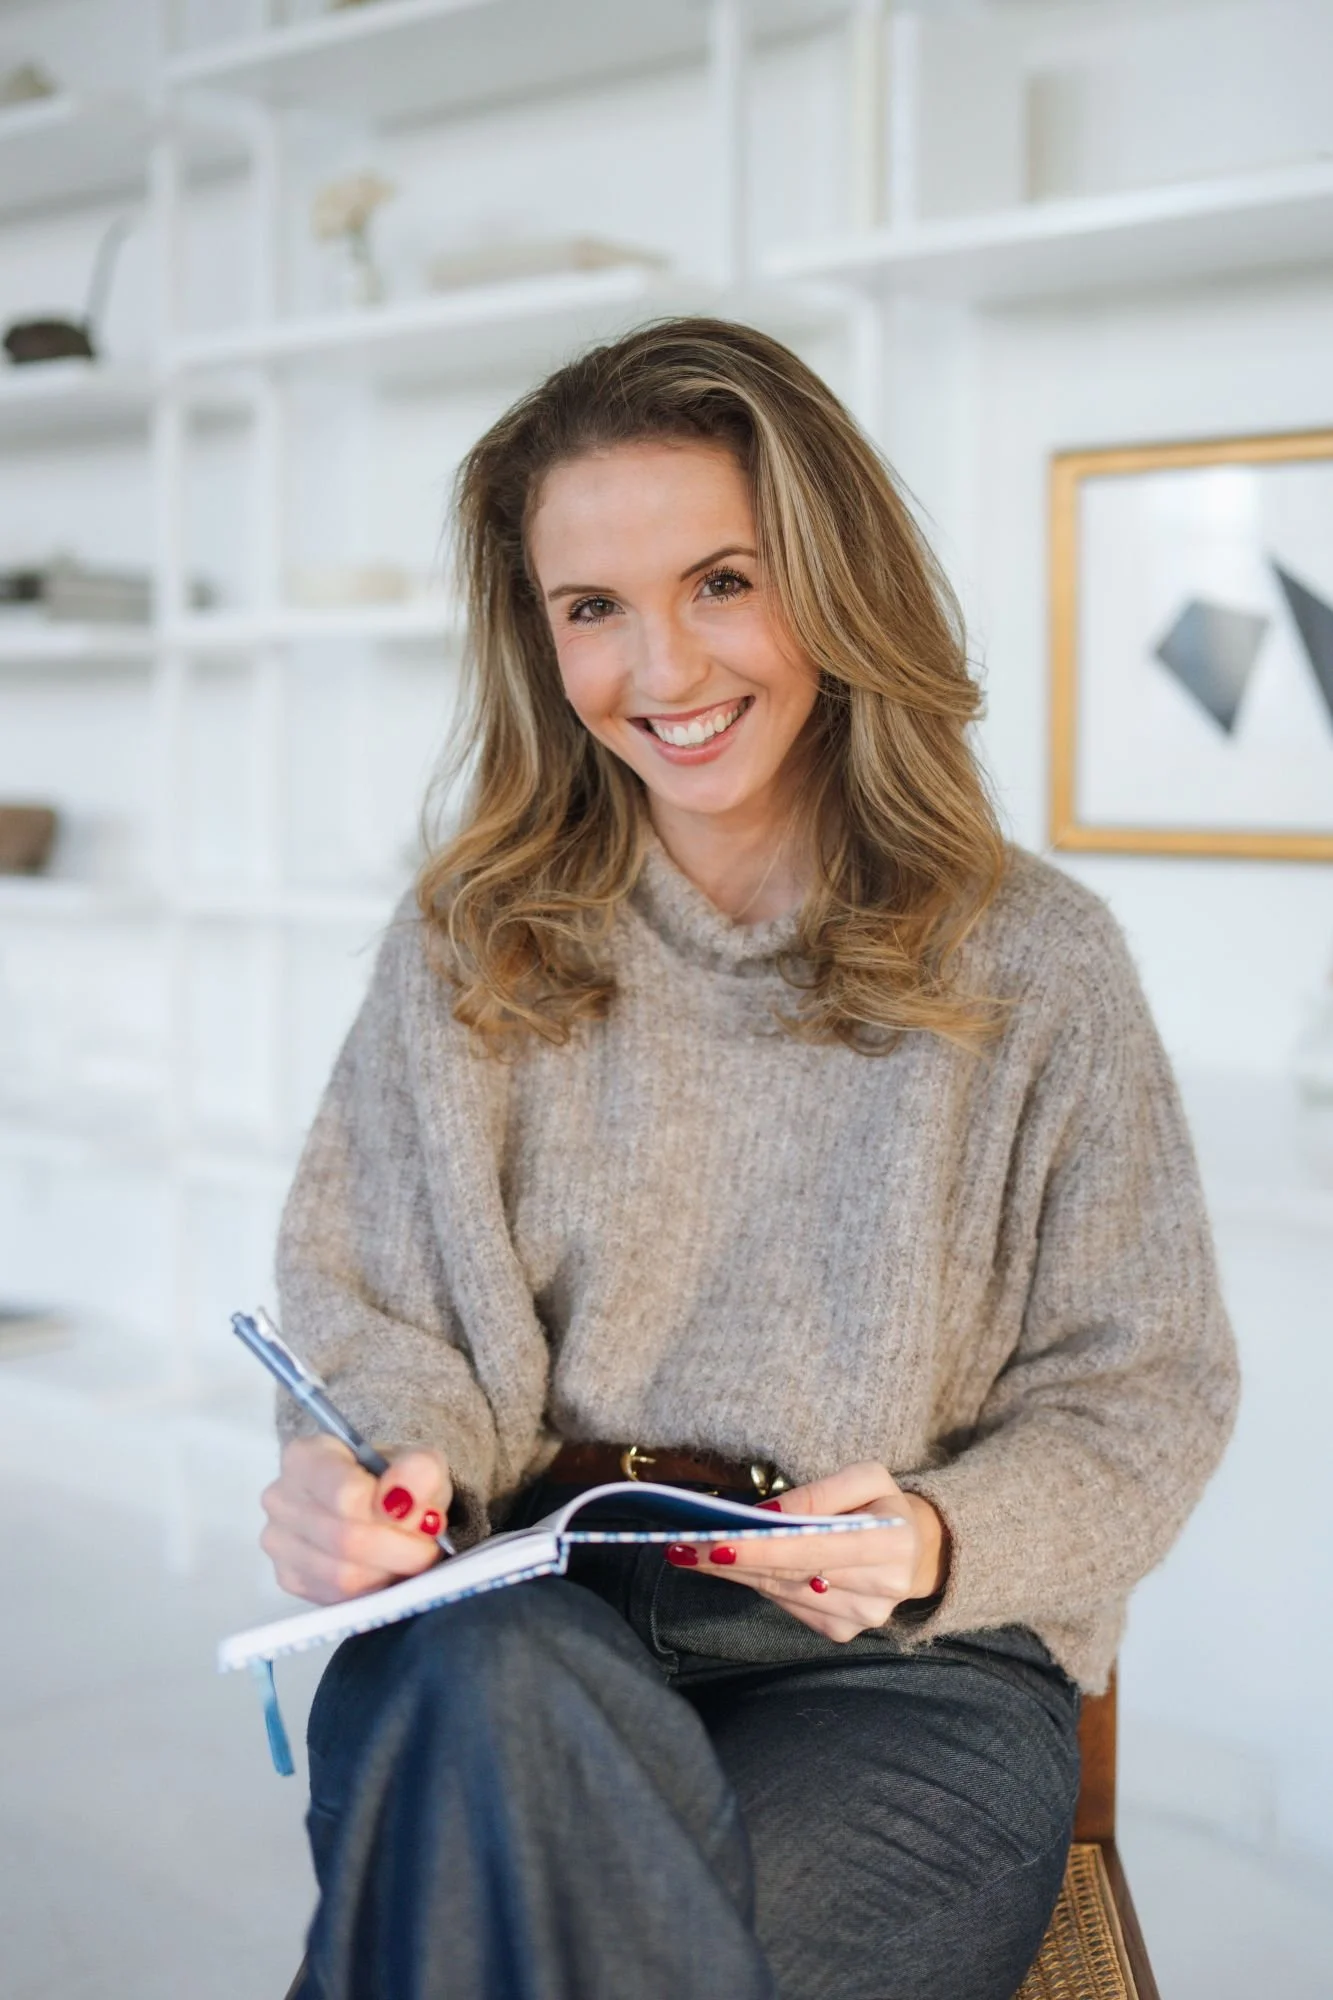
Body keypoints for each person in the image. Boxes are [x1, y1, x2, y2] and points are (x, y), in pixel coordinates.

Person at [259, 318, 1238, 2000]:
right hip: (522, 1627)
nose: (665, 670)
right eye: (593, 609)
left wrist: (940, 1534)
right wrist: (383, 1472)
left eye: (723, 580)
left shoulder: (1036, 963)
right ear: (536, 637)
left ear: (834, 582)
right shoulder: (464, 948)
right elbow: (373, 1312)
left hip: (899, 1682)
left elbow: (1142, 1388)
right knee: (494, 1714)